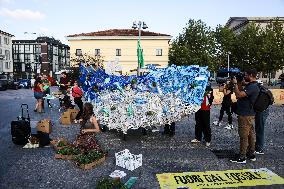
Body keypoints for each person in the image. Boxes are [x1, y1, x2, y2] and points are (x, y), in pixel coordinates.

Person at [230, 68, 260, 164]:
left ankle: (242, 157)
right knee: (251, 135)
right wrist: (238, 81)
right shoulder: (253, 85)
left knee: (243, 135)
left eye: (246, 75)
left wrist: (235, 83)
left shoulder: (252, 87)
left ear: (251, 75)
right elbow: (242, 85)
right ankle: (251, 154)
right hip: (249, 114)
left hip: (245, 114)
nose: (245, 76)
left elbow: (238, 95)